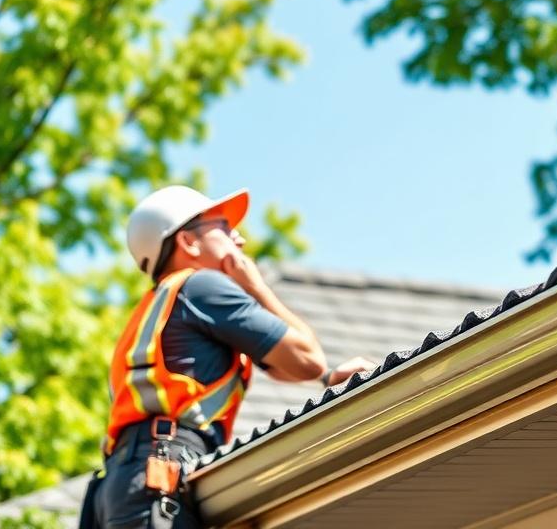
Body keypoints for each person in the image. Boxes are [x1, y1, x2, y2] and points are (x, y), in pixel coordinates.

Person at [79, 185, 374, 529]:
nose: (240, 239)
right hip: (158, 471)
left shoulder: (160, 306)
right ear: (189, 242)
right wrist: (257, 287)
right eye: (223, 227)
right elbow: (306, 357)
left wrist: (327, 378)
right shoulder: (202, 288)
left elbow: (290, 365)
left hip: (125, 480)